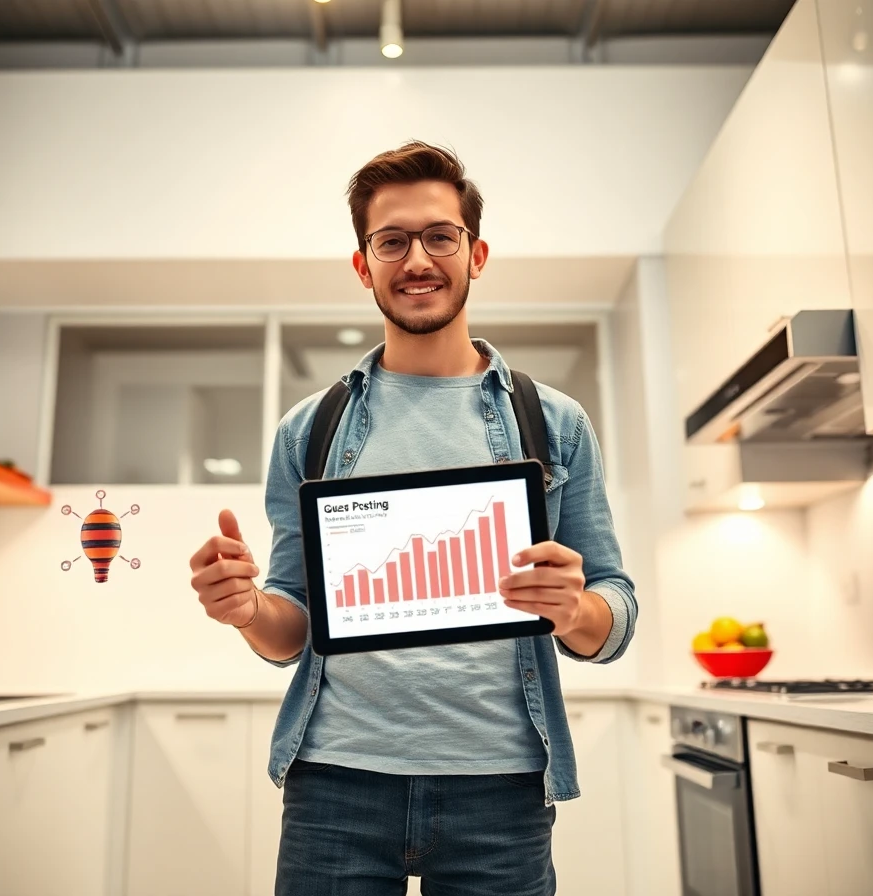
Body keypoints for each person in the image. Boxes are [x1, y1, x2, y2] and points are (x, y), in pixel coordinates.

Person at [189, 140, 636, 896]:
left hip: (503, 790)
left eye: (440, 236)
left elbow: (615, 611)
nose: (417, 259)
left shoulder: (553, 423)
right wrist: (246, 608)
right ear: (364, 265)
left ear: (477, 252)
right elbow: (292, 626)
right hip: (335, 785)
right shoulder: (312, 429)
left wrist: (574, 608)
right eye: (391, 241)